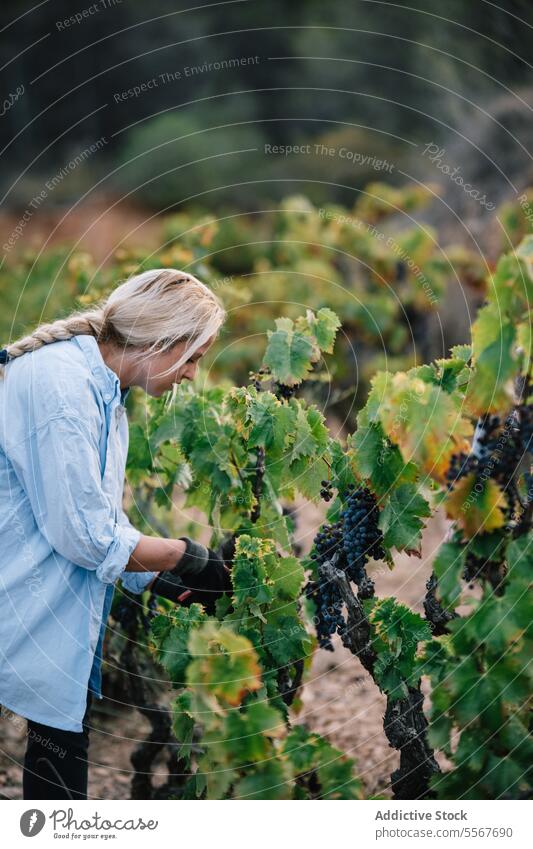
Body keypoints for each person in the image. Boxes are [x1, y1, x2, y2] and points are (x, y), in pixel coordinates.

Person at [0, 268, 232, 800]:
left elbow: (95, 517)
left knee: (60, 738)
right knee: (60, 745)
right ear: (158, 341)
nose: (194, 374)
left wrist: (155, 578)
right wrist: (182, 555)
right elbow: (84, 536)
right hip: (20, 585)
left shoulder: (103, 387)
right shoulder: (64, 388)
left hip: (39, 592)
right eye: (193, 357)